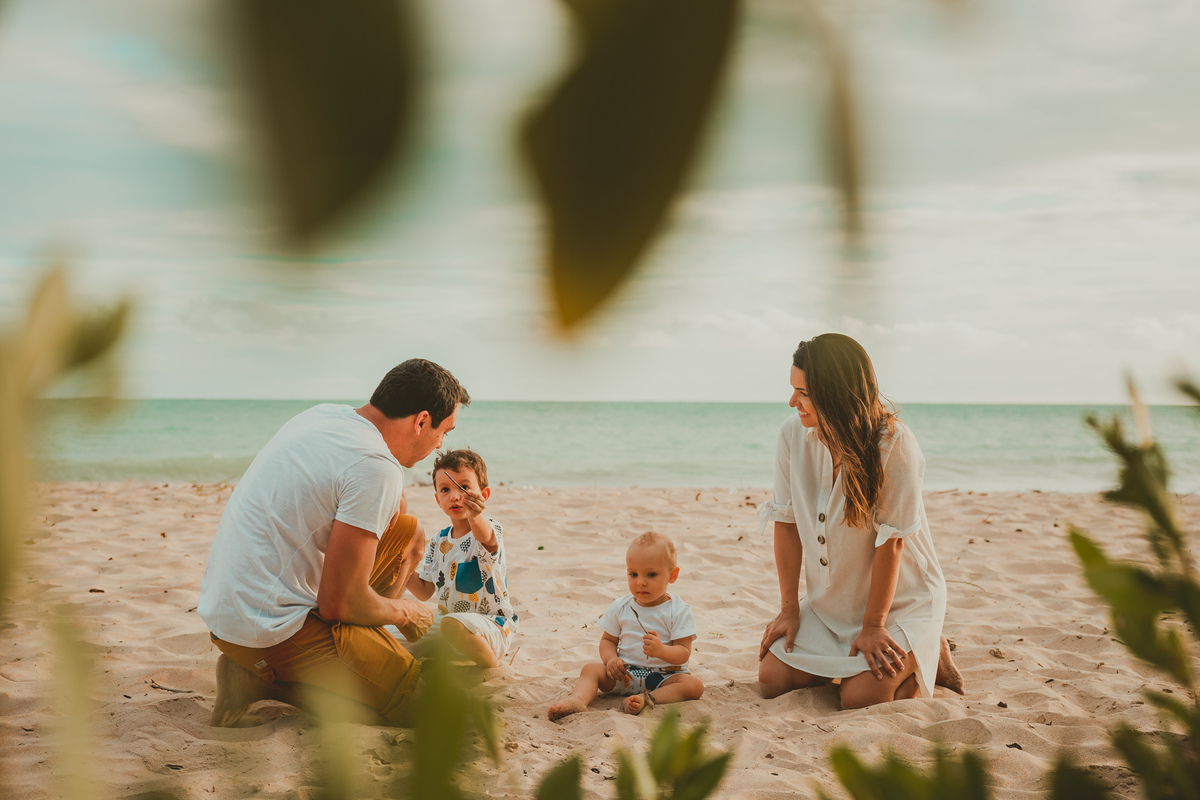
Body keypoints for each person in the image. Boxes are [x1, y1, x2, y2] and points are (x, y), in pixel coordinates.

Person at [199, 358, 470, 726]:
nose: (440, 446)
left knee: (408, 535)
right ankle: (257, 682)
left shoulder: (325, 416)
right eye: (444, 432)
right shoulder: (375, 465)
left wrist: (390, 494)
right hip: (267, 629)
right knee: (428, 710)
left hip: (227, 611)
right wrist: (407, 611)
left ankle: (358, 651)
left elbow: (360, 494)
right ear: (421, 421)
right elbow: (338, 603)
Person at [757, 334, 963, 708]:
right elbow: (786, 523)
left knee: (860, 698)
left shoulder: (894, 444)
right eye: (793, 390)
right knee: (773, 680)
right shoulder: (792, 435)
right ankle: (911, 655)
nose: (792, 402)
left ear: (836, 395)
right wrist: (789, 609)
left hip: (900, 603)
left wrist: (874, 627)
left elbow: (892, 542)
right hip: (831, 604)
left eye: (803, 393)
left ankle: (927, 650)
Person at [548, 531, 705, 720]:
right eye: (633, 574)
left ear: (672, 575)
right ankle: (578, 700)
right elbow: (608, 640)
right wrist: (611, 660)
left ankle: (648, 699)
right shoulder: (621, 606)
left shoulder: (678, 610)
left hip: (664, 678)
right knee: (590, 669)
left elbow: (683, 652)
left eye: (651, 574)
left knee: (694, 686)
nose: (641, 582)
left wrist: (661, 651)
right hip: (624, 674)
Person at [403, 449, 518, 667]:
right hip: (450, 624)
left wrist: (476, 516)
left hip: (492, 627)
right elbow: (424, 591)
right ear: (437, 499)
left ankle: (492, 666)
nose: (455, 496)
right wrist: (401, 564)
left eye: (464, 487)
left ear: (484, 495)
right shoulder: (437, 541)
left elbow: (486, 537)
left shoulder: (489, 528)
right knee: (396, 631)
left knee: (453, 624)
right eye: (445, 489)